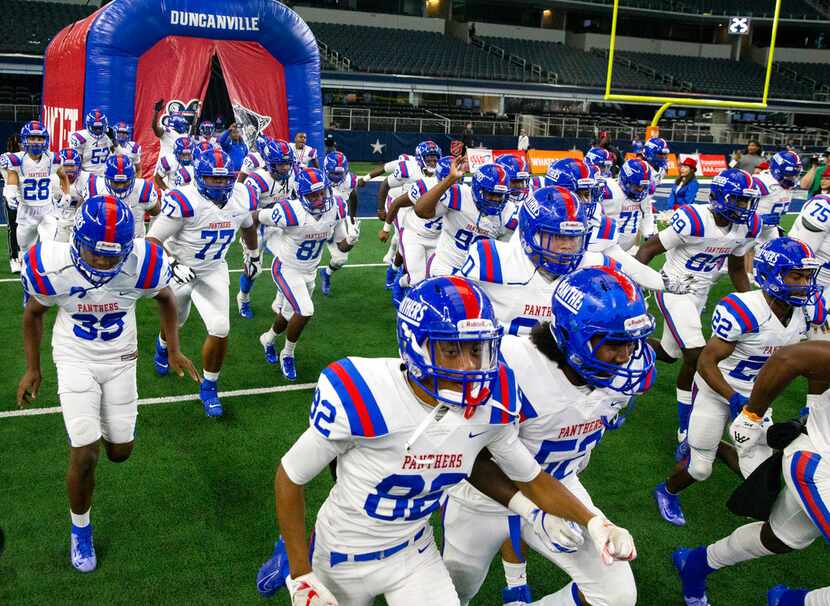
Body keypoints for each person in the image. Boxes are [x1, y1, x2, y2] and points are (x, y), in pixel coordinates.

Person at [255, 276, 637, 605]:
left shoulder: (496, 400)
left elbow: (528, 475)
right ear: (415, 344)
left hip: (414, 552)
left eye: (477, 349)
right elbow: (291, 476)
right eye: (451, 351)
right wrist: (301, 572)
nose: (469, 366)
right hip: (341, 552)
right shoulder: (363, 392)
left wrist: (592, 521)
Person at [444, 267, 655, 606]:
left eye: (632, 342)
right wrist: (545, 512)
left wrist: (591, 520)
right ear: (572, 336)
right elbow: (473, 457)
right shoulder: (512, 365)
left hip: (561, 483)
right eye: (614, 343)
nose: (627, 356)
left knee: (616, 595)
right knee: (455, 592)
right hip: (484, 498)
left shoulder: (622, 376)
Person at [16, 195, 198, 573]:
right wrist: (33, 369)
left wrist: (173, 348)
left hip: (120, 358)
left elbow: (165, 299)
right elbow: (33, 313)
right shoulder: (51, 264)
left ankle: (93, 427)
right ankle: (79, 528)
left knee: (120, 451)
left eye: (111, 255)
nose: (101, 262)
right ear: (76, 239)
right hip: (74, 355)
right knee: (85, 456)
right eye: (94, 252)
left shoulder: (143, 264)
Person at [654, 237, 825, 527]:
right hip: (717, 389)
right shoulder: (744, 309)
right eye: (796, 275)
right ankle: (667, 489)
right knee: (700, 469)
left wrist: (811, 407)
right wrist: (733, 399)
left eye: (808, 275)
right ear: (770, 274)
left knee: (758, 474)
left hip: (758, 398)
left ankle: (716, 446)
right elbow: (706, 362)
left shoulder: (809, 311)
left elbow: (820, 365)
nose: (804, 283)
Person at [672, 339, 830, 606]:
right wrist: (752, 415)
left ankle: (697, 563)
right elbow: (791, 358)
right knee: (700, 466)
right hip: (820, 461)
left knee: (780, 538)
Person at [636, 168, 762, 461]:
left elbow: (735, 269)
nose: (745, 209)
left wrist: (754, 304)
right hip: (673, 287)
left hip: (701, 292)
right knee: (696, 354)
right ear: (720, 198)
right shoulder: (693, 219)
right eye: (740, 201)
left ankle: (633, 346)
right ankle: (685, 427)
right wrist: (634, 288)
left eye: (748, 202)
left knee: (670, 353)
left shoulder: (747, 226)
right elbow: (648, 250)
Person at [148, 149, 259, 417]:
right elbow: (151, 241)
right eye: (213, 179)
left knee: (220, 327)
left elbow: (247, 225)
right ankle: (162, 346)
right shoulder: (185, 200)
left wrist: (253, 254)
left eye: (224, 179)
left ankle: (209, 386)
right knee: (177, 322)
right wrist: (173, 265)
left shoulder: (242, 195)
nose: (220, 185)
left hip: (213, 269)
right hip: (180, 269)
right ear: (200, 177)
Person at [256, 167, 356, 381]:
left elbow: (341, 245)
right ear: (301, 196)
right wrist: (255, 246)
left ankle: (268, 338)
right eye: (312, 195)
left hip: (310, 270)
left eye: (322, 193)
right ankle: (288, 354)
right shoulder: (289, 211)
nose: (319, 199)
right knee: (305, 310)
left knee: (288, 313)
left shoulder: (336, 206)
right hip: (286, 267)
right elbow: (256, 216)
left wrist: (351, 240)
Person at [414, 159, 517, 278]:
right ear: (478, 190)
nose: (495, 200)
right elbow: (421, 211)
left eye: (500, 195)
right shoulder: (459, 196)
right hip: (446, 265)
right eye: (491, 194)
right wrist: (449, 179)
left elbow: (504, 252)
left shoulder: (509, 212)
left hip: (477, 272)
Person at [237, 139, 297, 319]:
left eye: (288, 163)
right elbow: (248, 216)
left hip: (277, 226)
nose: (286, 168)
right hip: (255, 227)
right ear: (270, 164)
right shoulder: (257, 180)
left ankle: (279, 301)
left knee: (289, 261)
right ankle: (243, 298)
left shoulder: (293, 174)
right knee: (253, 270)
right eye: (281, 164)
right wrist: (252, 248)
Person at [379, 141, 443, 302]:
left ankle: (397, 271)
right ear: (420, 158)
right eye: (429, 158)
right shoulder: (412, 171)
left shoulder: (458, 189)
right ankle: (398, 274)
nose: (433, 162)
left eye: (435, 159)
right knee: (401, 242)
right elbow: (386, 186)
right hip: (406, 209)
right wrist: (384, 223)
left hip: (432, 227)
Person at [4, 121, 69, 254]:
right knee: (26, 252)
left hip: (47, 211)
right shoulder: (17, 160)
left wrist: (66, 194)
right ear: (24, 140)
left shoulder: (52, 159)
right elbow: (11, 175)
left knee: (48, 249)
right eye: (32, 138)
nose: (36, 142)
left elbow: (63, 176)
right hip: (26, 213)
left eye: (40, 138)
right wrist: (10, 193)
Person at [320, 150, 364, 297]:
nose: (338, 177)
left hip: (337, 220)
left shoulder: (350, 180)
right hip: (315, 221)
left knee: (341, 258)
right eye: (334, 173)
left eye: (341, 174)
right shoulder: (317, 180)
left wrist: (352, 219)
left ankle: (326, 274)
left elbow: (353, 195)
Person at [88, 155, 160, 237]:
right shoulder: (95, 187)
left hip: (134, 243)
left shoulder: (142, 188)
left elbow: (156, 212)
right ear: (107, 179)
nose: (120, 187)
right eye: (116, 183)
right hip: (104, 241)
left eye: (125, 182)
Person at [601, 158, 656, 252]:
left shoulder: (645, 194)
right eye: (637, 186)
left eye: (643, 186)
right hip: (606, 247)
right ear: (624, 180)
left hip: (627, 248)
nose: (640, 190)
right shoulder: (610, 191)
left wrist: (649, 232)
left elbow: (646, 212)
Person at [1, 133, 22, 272]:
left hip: (28, 197)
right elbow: (6, 175)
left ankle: (23, 256)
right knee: (13, 228)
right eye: (19, 142)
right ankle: (14, 258)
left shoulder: (29, 157)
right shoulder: (6, 157)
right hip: (13, 195)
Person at [70, 110, 113, 176]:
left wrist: (115, 141)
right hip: (87, 176)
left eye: (100, 128)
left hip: (106, 175)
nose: (98, 130)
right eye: (95, 128)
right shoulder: (80, 137)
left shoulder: (109, 135)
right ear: (88, 126)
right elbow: (76, 162)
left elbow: (117, 155)